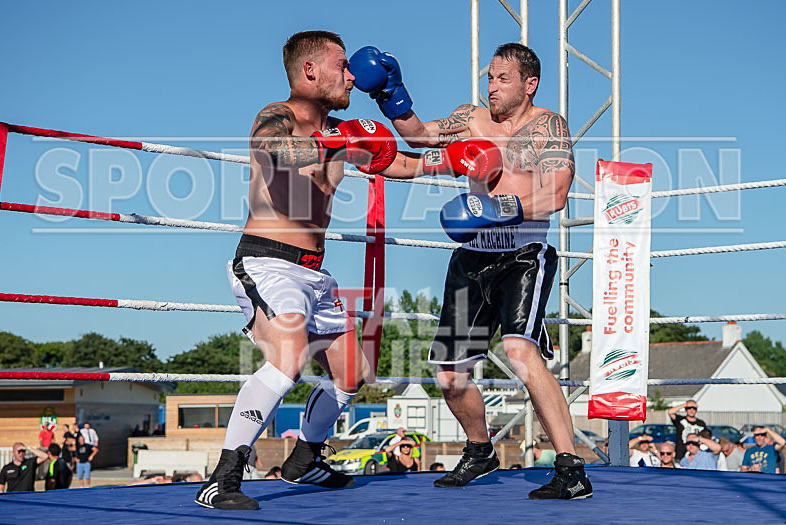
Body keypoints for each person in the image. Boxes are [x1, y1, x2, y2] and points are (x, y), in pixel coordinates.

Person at [349, 42, 590, 500]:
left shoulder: (549, 126)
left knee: (520, 353)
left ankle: (571, 467)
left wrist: (496, 206)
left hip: (523, 252)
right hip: (472, 255)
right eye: (489, 77)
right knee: (450, 374)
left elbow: (556, 195)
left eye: (502, 79)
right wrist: (391, 95)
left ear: (529, 84)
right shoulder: (472, 119)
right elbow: (420, 139)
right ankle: (480, 452)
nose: (492, 86)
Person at [194, 30, 398, 512]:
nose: (351, 75)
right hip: (267, 262)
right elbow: (274, 153)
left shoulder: (340, 130)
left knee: (353, 373)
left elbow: (402, 159)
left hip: (314, 274)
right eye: (341, 65)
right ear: (310, 71)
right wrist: (336, 142)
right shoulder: (277, 116)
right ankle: (222, 477)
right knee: (287, 360)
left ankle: (304, 459)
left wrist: (456, 159)